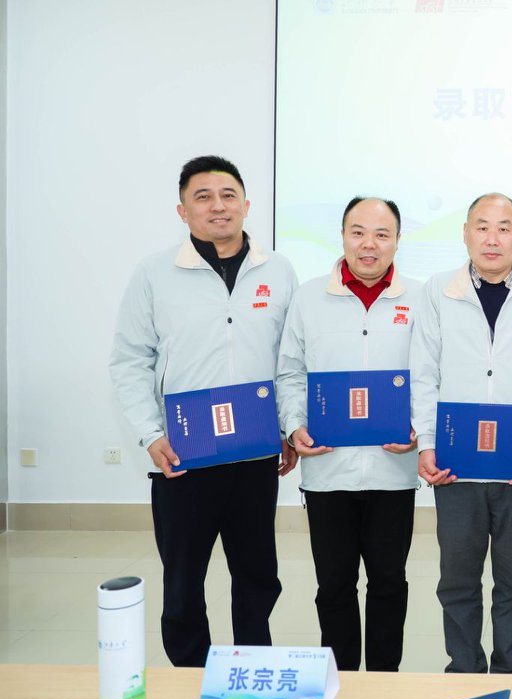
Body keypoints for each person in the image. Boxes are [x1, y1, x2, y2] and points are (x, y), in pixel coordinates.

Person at [109, 155, 297, 667]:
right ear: (183, 210)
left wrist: (287, 427)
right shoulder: (154, 274)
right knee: (183, 580)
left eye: (228, 195)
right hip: (183, 455)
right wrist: (150, 434)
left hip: (255, 454)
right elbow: (129, 360)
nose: (218, 206)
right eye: (203, 197)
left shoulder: (277, 271)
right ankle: (190, 674)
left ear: (246, 205)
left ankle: (252, 668)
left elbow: (290, 360)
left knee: (257, 575)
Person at [410, 193, 512, 674]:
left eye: (504, 228)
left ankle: (511, 671)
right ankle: (464, 672)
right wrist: (427, 443)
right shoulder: (439, 290)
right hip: (455, 466)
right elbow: (423, 374)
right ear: (465, 233)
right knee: (457, 580)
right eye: (482, 226)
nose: (492, 238)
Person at [276, 196, 420, 672]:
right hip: (328, 470)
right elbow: (290, 372)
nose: (368, 244)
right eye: (358, 232)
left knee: (389, 583)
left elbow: (432, 375)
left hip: (393, 469)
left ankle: (383, 682)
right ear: (342, 236)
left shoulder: (421, 300)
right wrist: (294, 425)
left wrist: (420, 428)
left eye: (381, 234)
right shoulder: (309, 298)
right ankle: (339, 683)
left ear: (397, 240)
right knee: (334, 585)